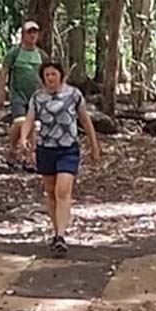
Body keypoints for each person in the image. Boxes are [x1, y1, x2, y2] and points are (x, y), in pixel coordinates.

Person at [20, 61, 102, 255]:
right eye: (46, 75)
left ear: (61, 76)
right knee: (50, 191)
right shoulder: (38, 98)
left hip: (68, 149)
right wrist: (24, 139)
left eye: (53, 74)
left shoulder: (74, 95)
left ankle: (61, 236)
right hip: (46, 149)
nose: (50, 78)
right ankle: (56, 231)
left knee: (62, 190)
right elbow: (29, 119)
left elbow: (85, 120)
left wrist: (94, 146)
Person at [0, 21, 46, 169]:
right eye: (29, 32)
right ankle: (13, 148)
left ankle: (30, 156)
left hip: (35, 96)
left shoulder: (41, 55)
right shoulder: (14, 53)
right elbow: (4, 72)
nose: (33, 35)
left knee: (34, 126)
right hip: (18, 95)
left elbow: (47, 75)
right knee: (20, 122)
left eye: (35, 32)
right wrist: (1, 91)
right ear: (23, 35)